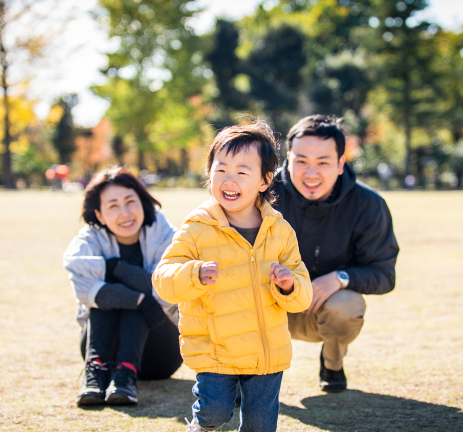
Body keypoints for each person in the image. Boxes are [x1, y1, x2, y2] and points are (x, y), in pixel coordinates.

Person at [153, 122, 313, 432]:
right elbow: (163, 279)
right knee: (214, 413)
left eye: (242, 172)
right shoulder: (197, 229)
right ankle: (202, 427)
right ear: (209, 173)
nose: (229, 179)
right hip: (215, 348)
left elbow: (303, 293)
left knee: (260, 426)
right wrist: (193, 273)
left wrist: (290, 284)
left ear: (265, 180)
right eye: (220, 169)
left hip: (266, 351)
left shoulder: (279, 231)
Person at [270, 115, 399, 393]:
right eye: (301, 161)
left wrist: (340, 278)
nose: (311, 173)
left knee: (347, 305)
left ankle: (332, 362)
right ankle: (237, 377)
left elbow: (385, 274)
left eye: (323, 162)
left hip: (321, 309)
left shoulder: (369, 205)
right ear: (288, 159)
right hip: (269, 304)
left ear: (341, 164)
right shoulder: (264, 194)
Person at [63, 166, 182, 406]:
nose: (125, 213)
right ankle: (94, 378)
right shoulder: (89, 238)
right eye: (113, 206)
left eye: (130, 201)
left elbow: (166, 289)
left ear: (142, 201)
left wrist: (114, 267)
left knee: (118, 293)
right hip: (103, 349)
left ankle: (125, 377)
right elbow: (86, 290)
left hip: (160, 354)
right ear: (99, 214)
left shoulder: (163, 232)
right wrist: (138, 297)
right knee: (108, 297)